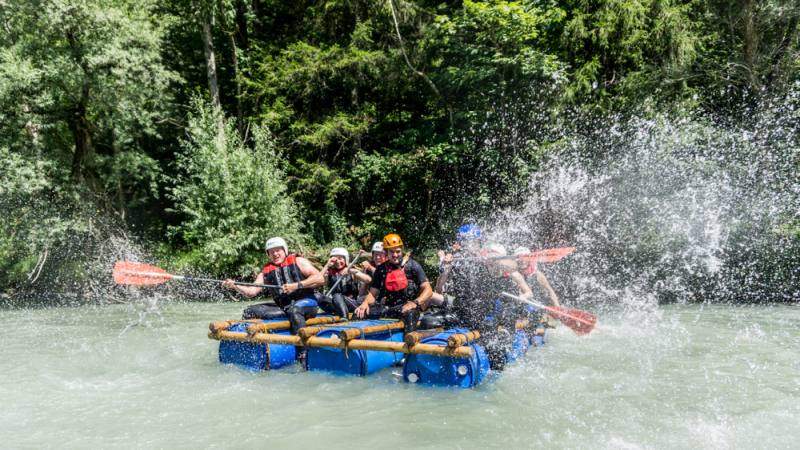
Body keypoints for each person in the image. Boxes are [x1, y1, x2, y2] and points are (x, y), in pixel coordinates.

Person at [445, 242, 533, 370]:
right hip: (489, 310)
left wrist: (522, 297)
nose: (491, 260)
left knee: (505, 313)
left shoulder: (511, 272)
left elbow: (529, 292)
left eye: (494, 257)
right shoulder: (482, 270)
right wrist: (450, 259)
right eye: (490, 256)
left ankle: (504, 342)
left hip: (507, 309)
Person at [222, 237, 324, 335]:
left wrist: (297, 285)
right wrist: (235, 285)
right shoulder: (266, 271)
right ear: (268, 254)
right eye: (271, 252)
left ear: (285, 250)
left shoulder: (299, 261)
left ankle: (302, 349)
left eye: (278, 250)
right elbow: (251, 292)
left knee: (295, 310)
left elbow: (320, 278)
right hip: (285, 307)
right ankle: (251, 340)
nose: (275, 254)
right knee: (249, 311)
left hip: (307, 303)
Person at [354, 233, 432, 333]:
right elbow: (373, 293)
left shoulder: (413, 266)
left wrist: (415, 303)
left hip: (409, 308)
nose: (395, 255)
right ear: (386, 252)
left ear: (402, 250)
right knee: (359, 312)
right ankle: (351, 346)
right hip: (389, 308)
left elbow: (428, 290)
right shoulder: (381, 269)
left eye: (398, 251)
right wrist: (365, 303)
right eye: (391, 252)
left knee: (410, 313)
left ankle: (409, 342)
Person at [319, 247, 371, 317]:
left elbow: (368, 280)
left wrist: (350, 271)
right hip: (336, 304)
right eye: (335, 259)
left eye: (340, 259)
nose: (337, 262)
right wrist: (326, 266)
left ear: (346, 259)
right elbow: (317, 280)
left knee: (337, 296)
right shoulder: (329, 272)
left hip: (351, 303)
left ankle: (344, 317)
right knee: (318, 297)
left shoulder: (351, 270)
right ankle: (338, 311)